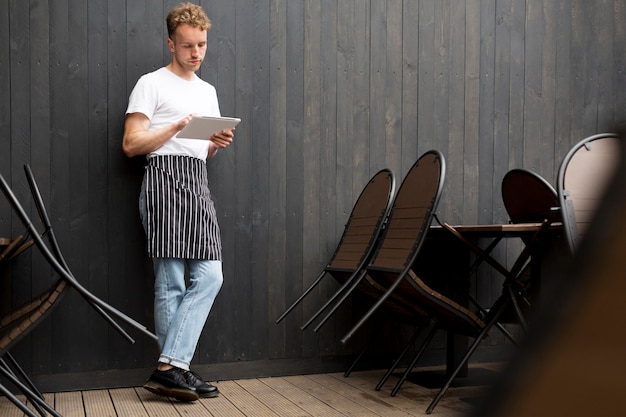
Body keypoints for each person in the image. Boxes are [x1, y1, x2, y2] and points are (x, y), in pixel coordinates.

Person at [122, 2, 234, 402]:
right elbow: (131, 143)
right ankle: (174, 372)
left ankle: (170, 367)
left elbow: (204, 153)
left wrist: (214, 142)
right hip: (163, 180)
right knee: (170, 282)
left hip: (196, 182)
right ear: (171, 43)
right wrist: (174, 126)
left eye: (201, 45)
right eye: (187, 45)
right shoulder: (150, 83)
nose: (196, 53)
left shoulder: (208, 91)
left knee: (211, 276)